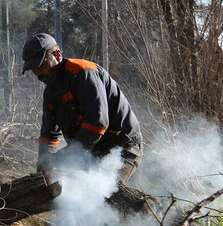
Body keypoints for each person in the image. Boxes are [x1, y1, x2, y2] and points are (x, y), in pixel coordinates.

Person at [22, 33, 142, 183]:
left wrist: (64, 158)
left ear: (57, 55)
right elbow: (48, 138)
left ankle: (147, 206)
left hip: (122, 146)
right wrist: (43, 173)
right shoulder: (50, 94)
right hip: (91, 151)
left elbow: (97, 123)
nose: (37, 72)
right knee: (69, 194)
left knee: (105, 193)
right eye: (32, 68)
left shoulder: (83, 72)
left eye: (40, 64)